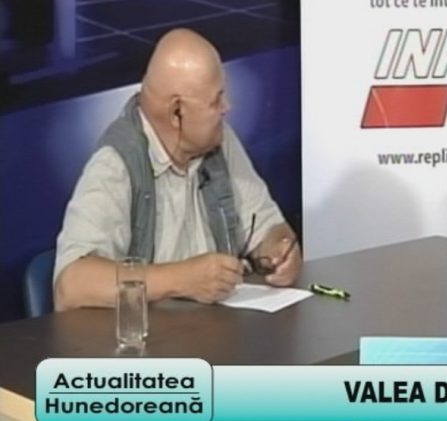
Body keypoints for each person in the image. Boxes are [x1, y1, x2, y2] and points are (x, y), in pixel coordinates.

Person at [54, 28, 301, 310]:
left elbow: (268, 227)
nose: (227, 107)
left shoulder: (218, 139)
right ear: (176, 112)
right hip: (152, 336)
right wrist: (183, 279)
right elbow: (70, 286)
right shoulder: (116, 163)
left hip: (221, 331)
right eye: (216, 100)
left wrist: (279, 250)